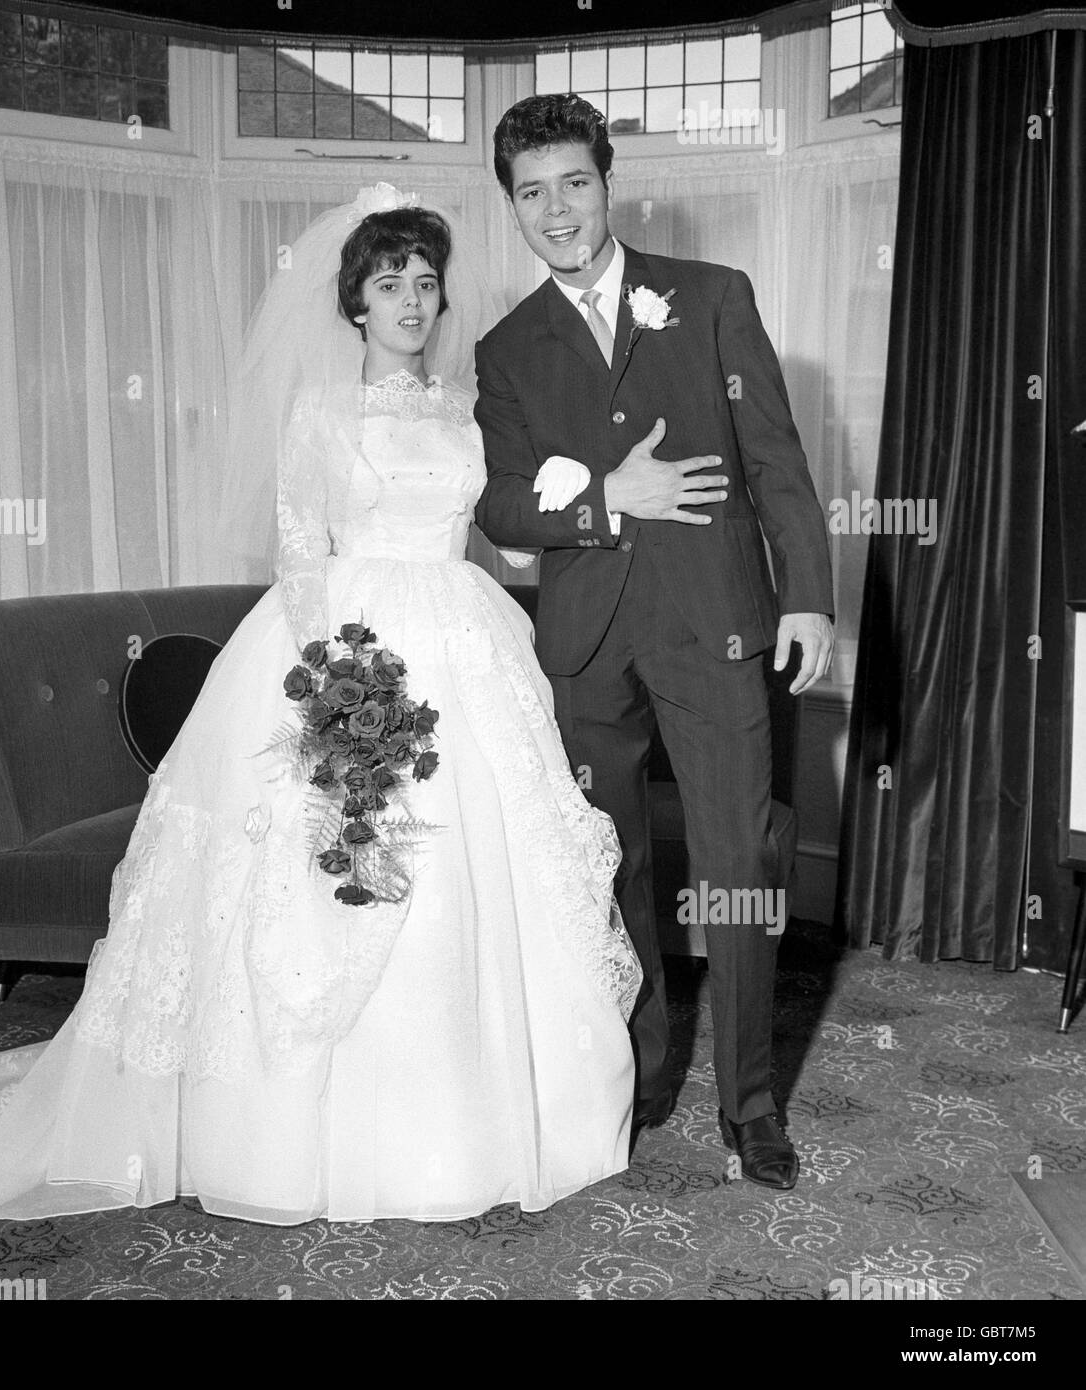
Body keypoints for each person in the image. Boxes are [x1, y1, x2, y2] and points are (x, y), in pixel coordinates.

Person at [0, 187, 642, 1228]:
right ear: (352, 303)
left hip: (468, 637)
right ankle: (294, 1134)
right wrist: (343, 693)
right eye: (389, 282)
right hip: (352, 647)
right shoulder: (320, 410)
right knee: (345, 868)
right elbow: (300, 548)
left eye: (425, 282)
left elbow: (508, 537)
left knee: (484, 870)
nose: (411, 300)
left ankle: (493, 1121)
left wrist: (591, 487)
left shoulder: (465, 408)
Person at [474, 95, 835, 1190]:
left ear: (607, 181)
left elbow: (774, 454)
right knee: (610, 871)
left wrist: (807, 596)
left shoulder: (712, 298)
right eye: (530, 193)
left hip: (714, 626)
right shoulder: (505, 348)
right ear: (513, 208)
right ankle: (636, 1073)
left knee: (737, 870)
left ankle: (749, 1105)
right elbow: (500, 508)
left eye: (572, 183)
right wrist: (604, 502)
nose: (556, 210)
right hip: (583, 647)